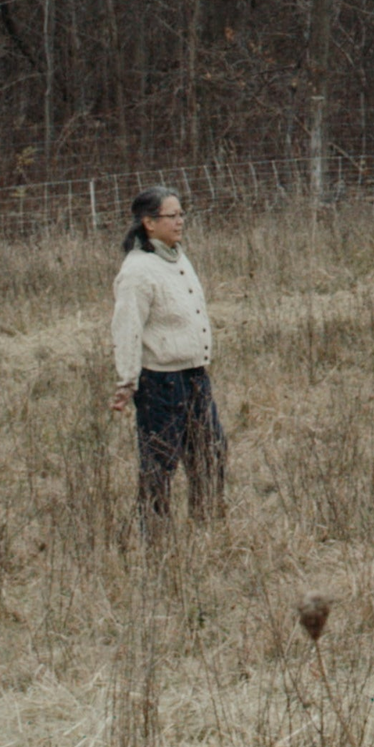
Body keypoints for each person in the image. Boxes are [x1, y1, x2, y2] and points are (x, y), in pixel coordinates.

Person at [110, 186, 225, 526]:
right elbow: (127, 329)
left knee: (211, 453)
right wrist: (127, 381)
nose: (180, 222)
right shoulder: (137, 272)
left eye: (181, 214)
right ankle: (155, 540)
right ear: (148, 222)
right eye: (171, 216)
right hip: (160, 382)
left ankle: (206, 526)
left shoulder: (177, 257)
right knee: (160, 465)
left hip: (195, 377)